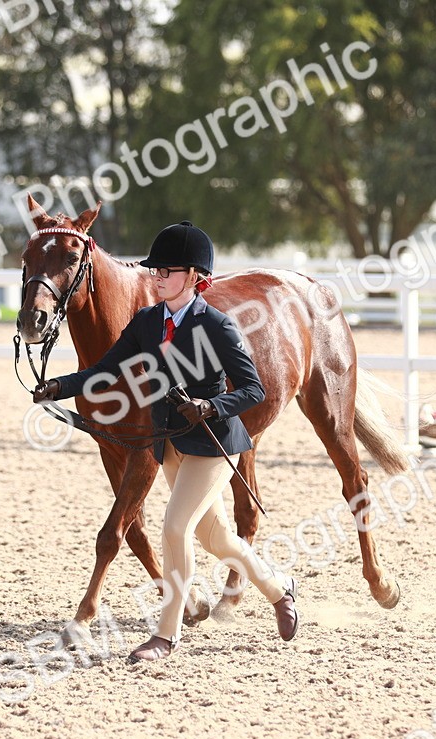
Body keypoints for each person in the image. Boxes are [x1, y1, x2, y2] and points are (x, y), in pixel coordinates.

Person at [32, 221, 298, 663]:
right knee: (218, 539)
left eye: (167, 271)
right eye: (154, 269)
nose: (156, 276)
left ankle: (166, 635)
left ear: (194, 275)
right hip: (170, 444)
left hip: (214, 443)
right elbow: (107, 369)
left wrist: (210, 406)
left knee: (175, 528)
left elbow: (254, 390)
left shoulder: (217, 325)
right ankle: (279, 587)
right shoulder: (147, 322)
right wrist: (59, 387)